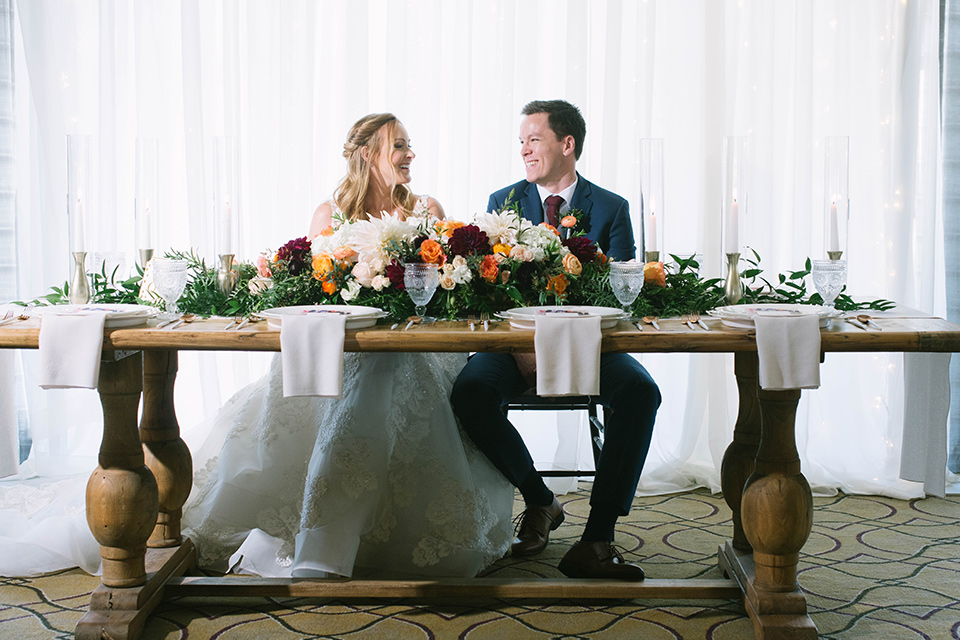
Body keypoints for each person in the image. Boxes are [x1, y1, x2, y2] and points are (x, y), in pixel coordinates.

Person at [183, 113, 514, 579]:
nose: (411, 154)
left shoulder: (427, 210)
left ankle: (329, 539)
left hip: (418, 346)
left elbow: (448, 295)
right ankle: (323, 529)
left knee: (388, 367)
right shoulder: (330, 215)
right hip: (341, 346)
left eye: (410, 145)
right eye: (399, 146)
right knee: (359, 367)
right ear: (367, 154)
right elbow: (314, 294)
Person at [451, 100, 661, 580]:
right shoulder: (501, 202)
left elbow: (622, 296)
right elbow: (488, 288)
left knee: (641, 391)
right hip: (514, 346)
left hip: (591, 344)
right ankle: (540, 499)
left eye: (534, 139)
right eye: (521, 141)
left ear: (567, 144)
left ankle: (598, 538)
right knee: (470, 392)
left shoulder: (611, 209)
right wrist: (523, 348)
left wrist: (575, 342)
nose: (524, 149)